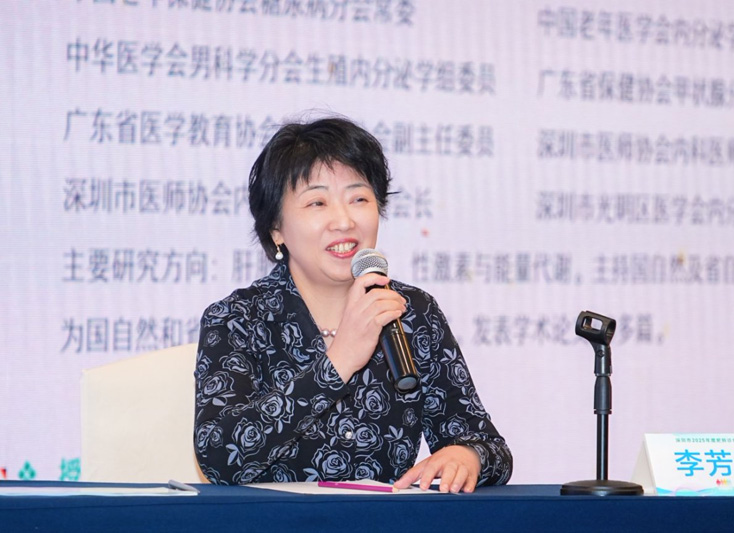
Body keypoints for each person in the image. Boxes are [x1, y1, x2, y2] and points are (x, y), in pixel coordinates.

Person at [193, 116, 512, 493]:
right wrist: (338, 361)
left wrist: (467, 455)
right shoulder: (236, 319)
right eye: (317, 202)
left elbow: (489, 446)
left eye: (359, 199)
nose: (343, 221)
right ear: (276, 229)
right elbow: (218, 457)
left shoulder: (411, 312)